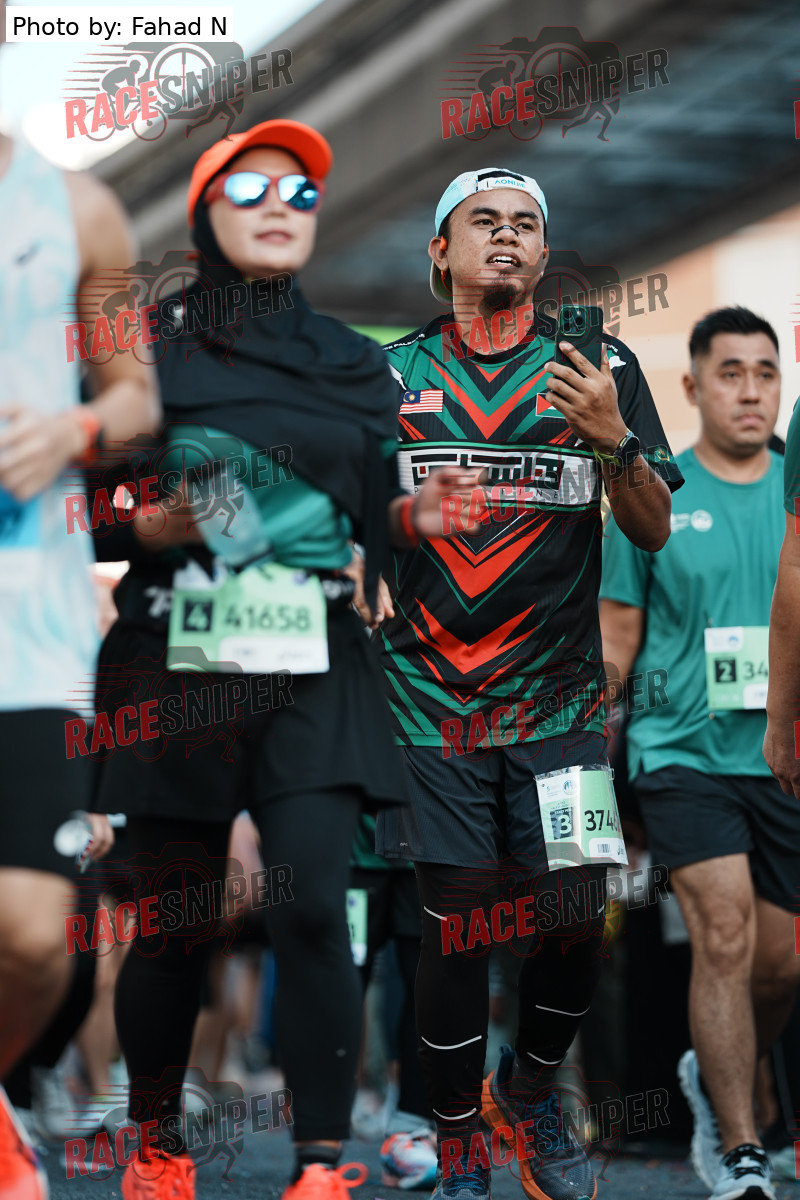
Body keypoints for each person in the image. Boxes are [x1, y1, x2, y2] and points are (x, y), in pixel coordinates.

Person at [89, 119, 482, 1200]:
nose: (280, 208)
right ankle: (157, 1146)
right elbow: (91, 505)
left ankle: (317, 1165)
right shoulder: (147, 348)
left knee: (313, 903)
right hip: (179, 650)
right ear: (204, 214)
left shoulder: (353, 362)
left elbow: (372, 507)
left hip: (311, 653)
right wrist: (149, 522)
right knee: (175, 920)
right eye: (253, 188)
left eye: (301, 194)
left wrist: (413, 518)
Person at [372, 166, 681, 1200]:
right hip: (430, 700)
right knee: (459, 918)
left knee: (577, 906)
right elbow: (347, 514)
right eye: (483, 222)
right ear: (441, 250)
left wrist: (614, 439)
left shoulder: (600, 364)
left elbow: (651, 528)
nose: (504, 237)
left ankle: (530, 1088)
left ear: (545, 255)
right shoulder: (391, 374)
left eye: (524, 225)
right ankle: (457, 1138)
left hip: (559, 702)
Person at [0, 24, 159, 1188]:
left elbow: (134, 391)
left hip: (32, 627)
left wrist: (77, 427)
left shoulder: (78, 209)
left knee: (35, 931)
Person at [600, 306, 800, 1200]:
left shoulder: (798, 487)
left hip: (784, 757)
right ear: (692, 386)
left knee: (780, 965)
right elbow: (617, 636)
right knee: (722, 935)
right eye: (731, 372)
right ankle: (741, 1144)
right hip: (681, 751)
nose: (750, 391)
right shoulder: (655, 497)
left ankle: (724, 1073)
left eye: (766, 372)